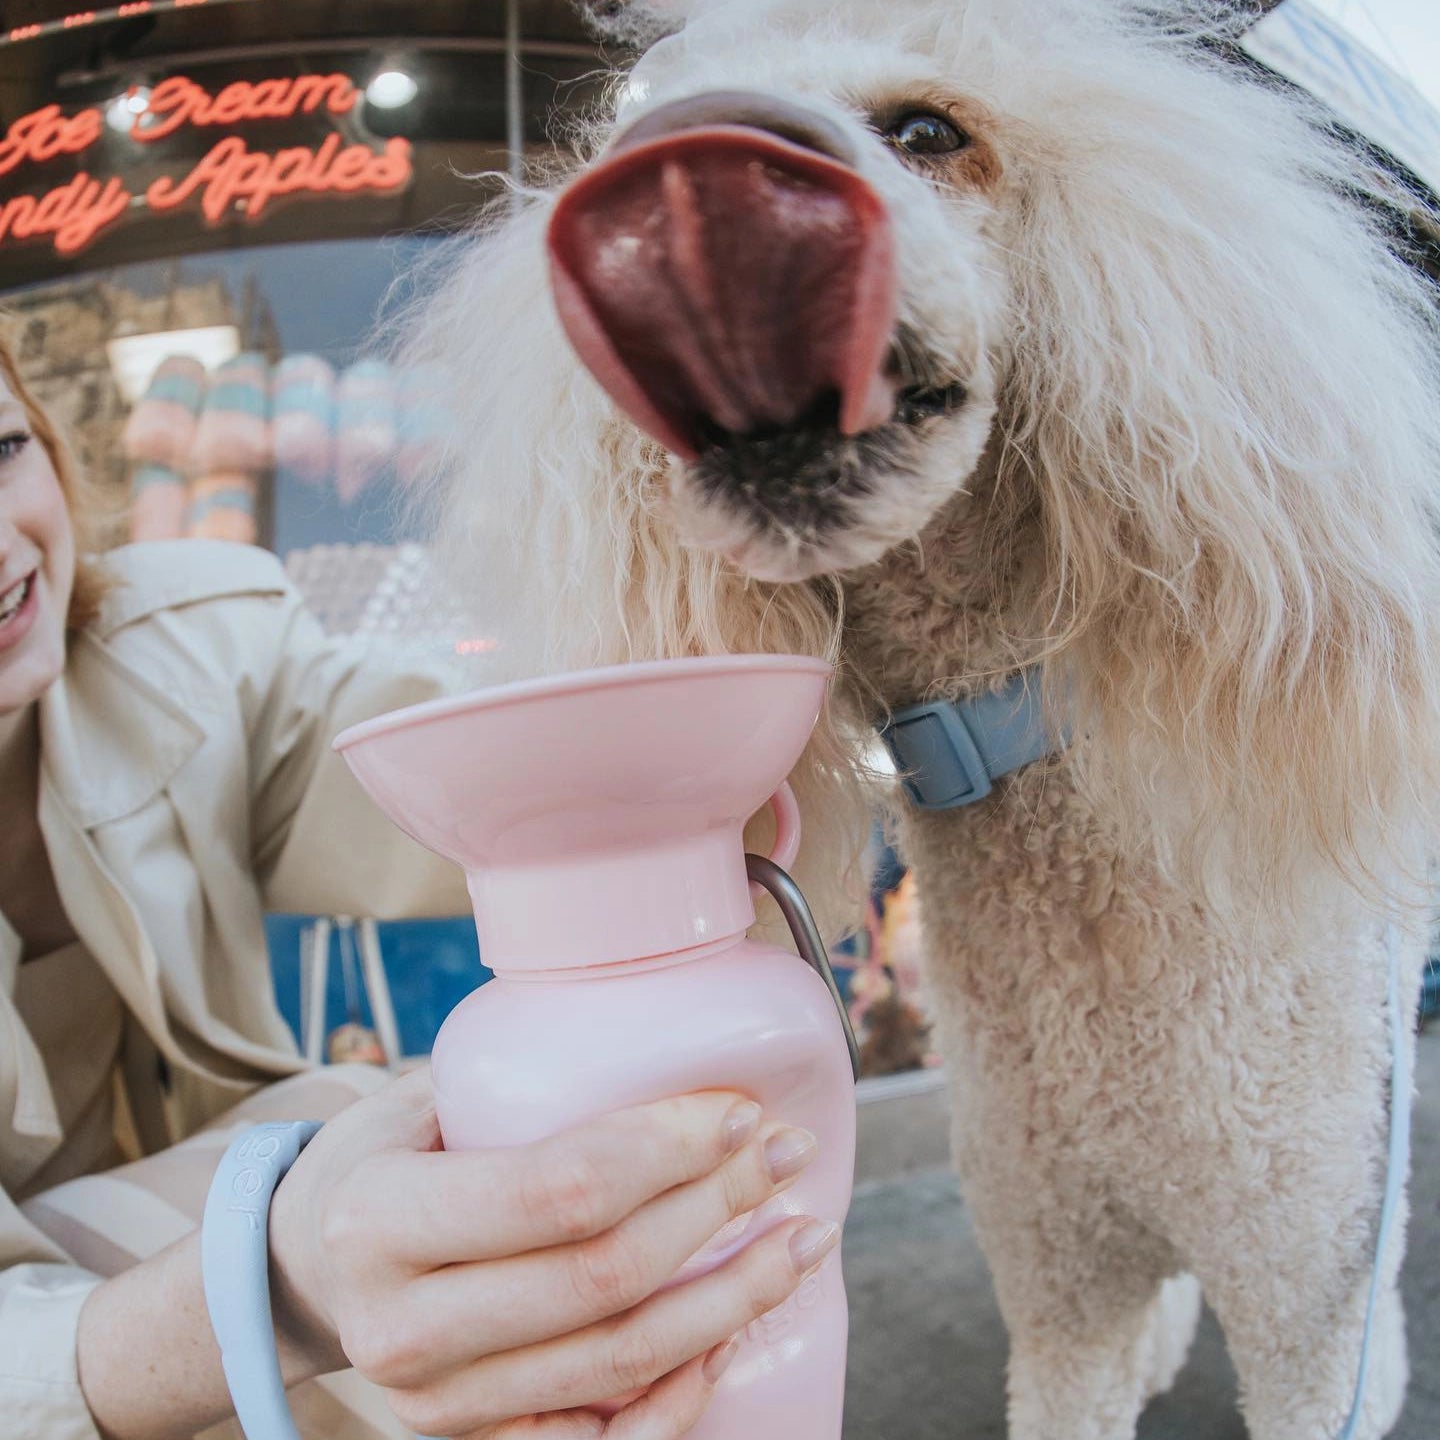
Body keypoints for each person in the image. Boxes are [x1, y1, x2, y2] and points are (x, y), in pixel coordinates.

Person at [0, 327, 834, 1440]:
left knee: (452, 1169)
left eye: (2, 448)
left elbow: (491, 764)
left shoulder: (173, 653)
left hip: (182, 1240)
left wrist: (716, 575)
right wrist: (274, 1293)